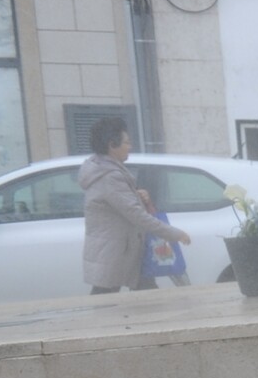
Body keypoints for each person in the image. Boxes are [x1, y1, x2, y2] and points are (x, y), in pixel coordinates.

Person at [77, 117, 190, 294]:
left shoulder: (104, 169)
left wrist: (138, 196)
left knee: (143, 299)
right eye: (127, 142)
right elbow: (135, 214)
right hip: (115, 254)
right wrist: (174, 234)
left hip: (125, 251)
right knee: (105, 305)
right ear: (112, 145)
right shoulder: (109, 176)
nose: (130, 146)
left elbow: (119, 203)